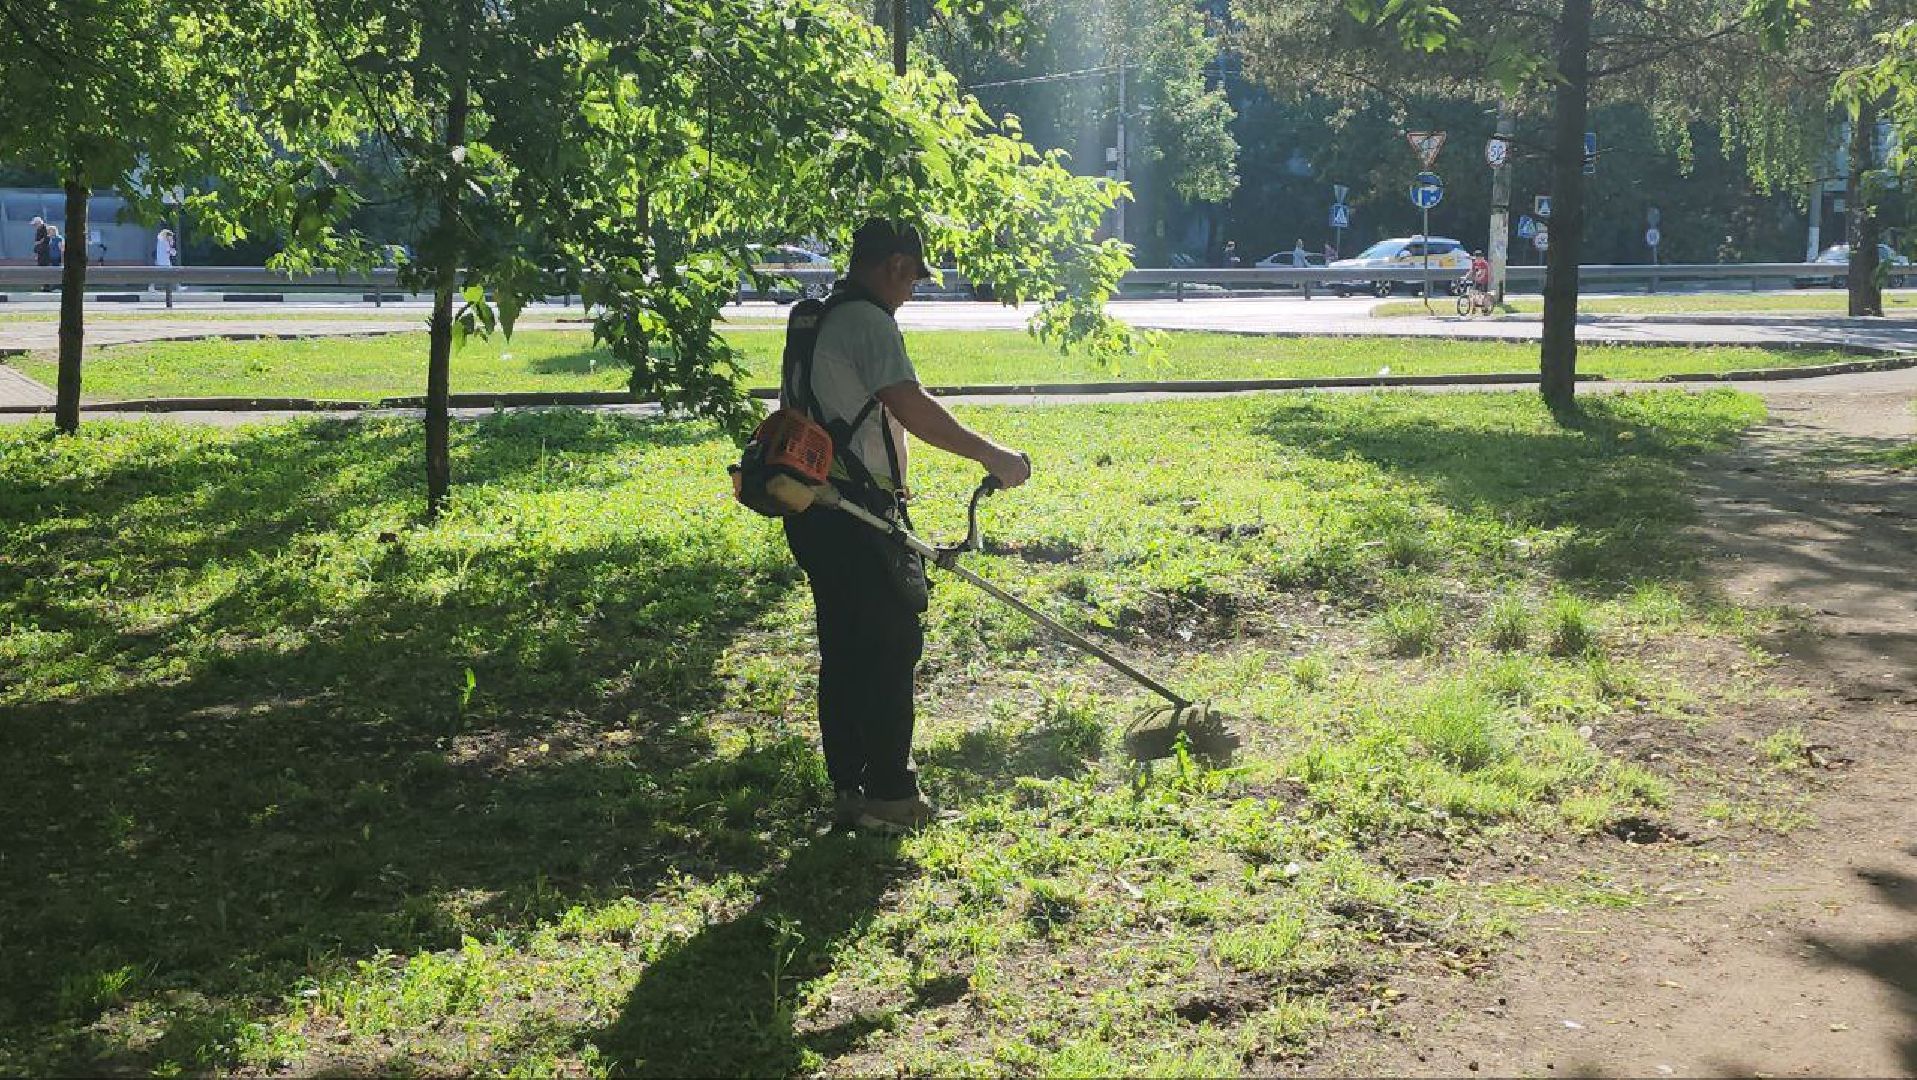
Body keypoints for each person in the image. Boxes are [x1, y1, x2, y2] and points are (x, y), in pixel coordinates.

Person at [782, 217, 1031, 834]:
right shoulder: (868, 321)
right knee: (890, 649)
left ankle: (850, 788)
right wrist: (993, 456)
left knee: (844, 652)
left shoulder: (814, 318)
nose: (912, 291)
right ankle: (891, 796)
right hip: (855, 513)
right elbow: (913, 408)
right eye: (913, 279)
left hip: (813, 506)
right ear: (894, 265)